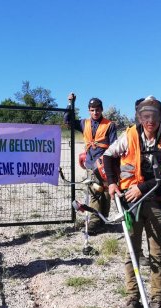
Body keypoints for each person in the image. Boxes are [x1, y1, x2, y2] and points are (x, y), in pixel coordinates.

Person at [102, 95, 161, 308]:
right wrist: (112, 183)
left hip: (155, 202)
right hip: (131, 203)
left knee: (157, 254)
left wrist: (141, 187)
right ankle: (132, 298)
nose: (149, 121)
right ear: (139, 117)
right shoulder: (130, 135)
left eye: (153, 116)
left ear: (160, 117)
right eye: (145, 116)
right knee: (132, 253)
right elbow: (108, 155)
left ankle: (157, 302)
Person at [64, 93, 117, 235]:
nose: (95, 112)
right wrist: (70, 103)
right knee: (95, 192)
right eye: (92, 110)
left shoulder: (110, 125)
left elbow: (114, 146)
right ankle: (94, 222)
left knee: (105, 193)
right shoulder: (84, 123)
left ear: (102, 110)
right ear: (89, 110)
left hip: (104, 164)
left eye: (97, 109)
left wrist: (109, 163)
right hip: (90, 164)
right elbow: (68, 121)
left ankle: (102, 220)